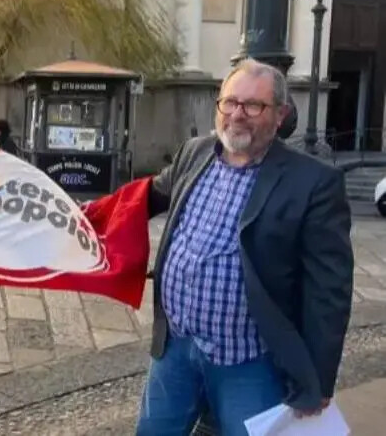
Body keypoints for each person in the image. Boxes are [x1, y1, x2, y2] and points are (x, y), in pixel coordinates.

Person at [137, 58, 353, 435]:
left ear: (280, 114)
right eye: (230, 102)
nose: (238, 114)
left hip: (249, 362)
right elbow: (146, 197)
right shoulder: (195, 152)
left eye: (254, 105)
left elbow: (329, 292)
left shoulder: (315, 182)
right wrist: (73, 216)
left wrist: (317, 379)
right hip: (176, 350)